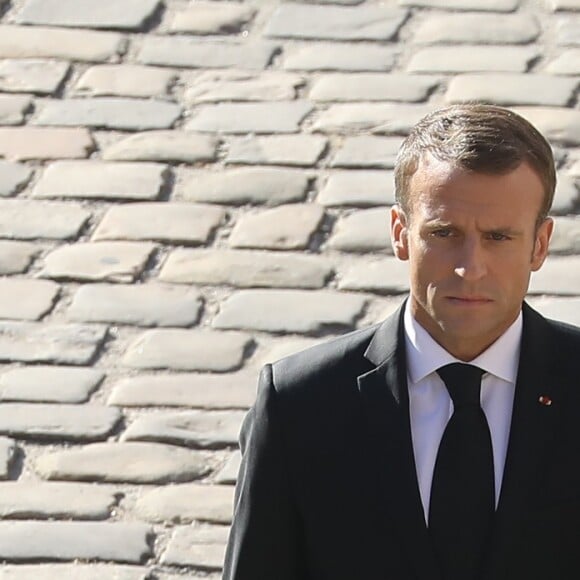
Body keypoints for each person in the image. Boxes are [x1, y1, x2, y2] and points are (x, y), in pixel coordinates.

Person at [222, 104, 580, 580]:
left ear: (539, 244)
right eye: (444, 233)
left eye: (498, 237)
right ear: (400, 233)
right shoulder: (299, 406)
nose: (469, 267)